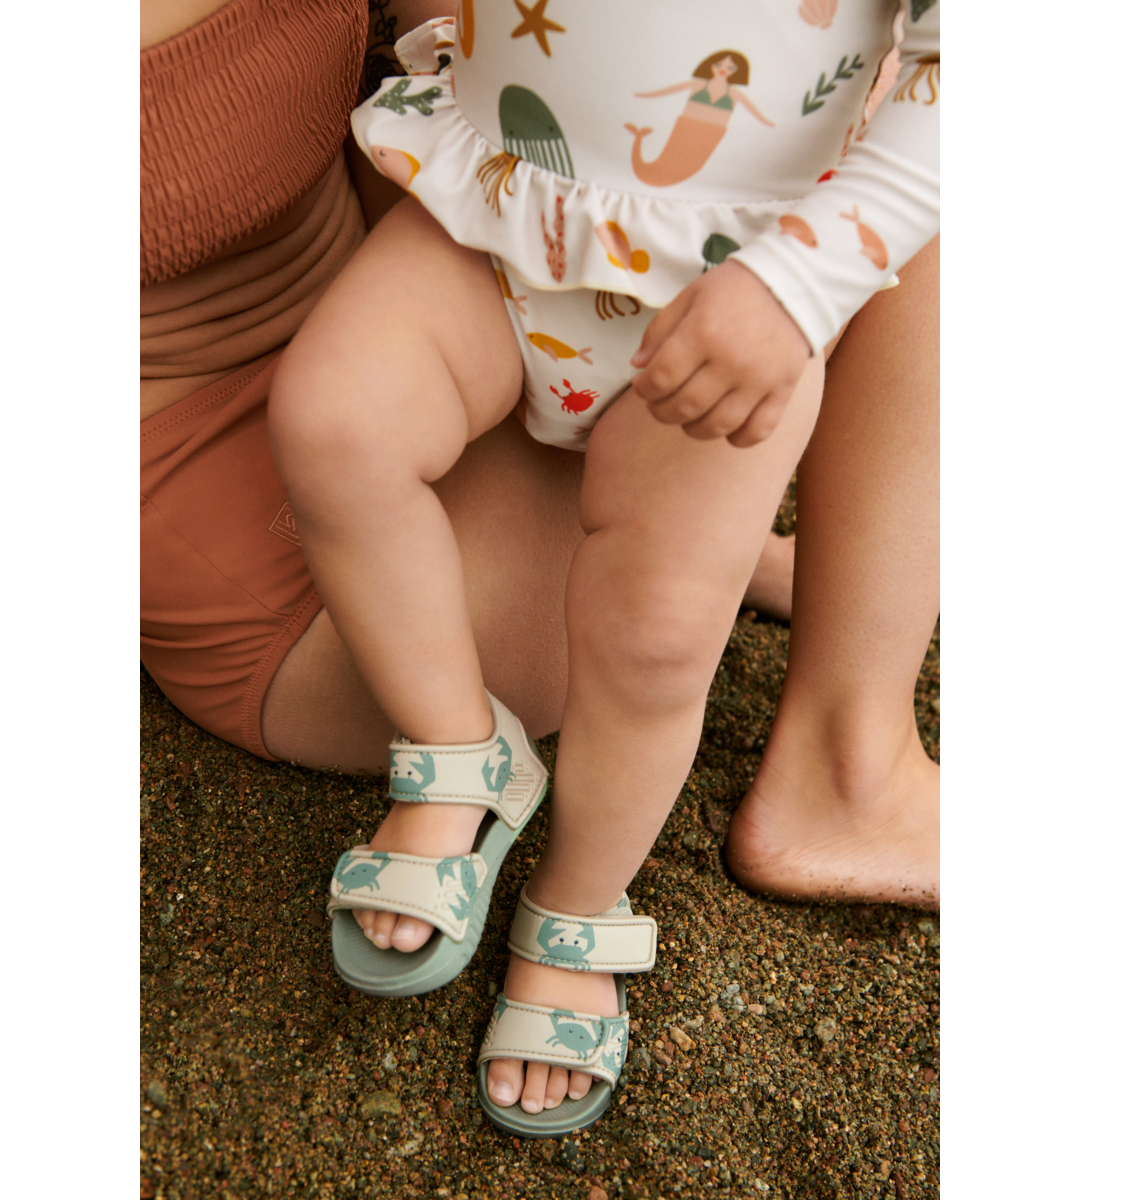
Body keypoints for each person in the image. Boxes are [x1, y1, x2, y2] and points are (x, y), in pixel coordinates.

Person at [268, 1, 939, 1135]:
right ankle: (457, 748)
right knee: (334, 422)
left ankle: (578, 898)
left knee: (660, 634)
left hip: (743, 282)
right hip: (493, 211)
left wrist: (801, 281)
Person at [140, 0, 797, 778]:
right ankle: (842, 748)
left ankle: (835, 714)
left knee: (857, 139)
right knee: (815, 194)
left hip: (401, 302)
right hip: (238, 500)